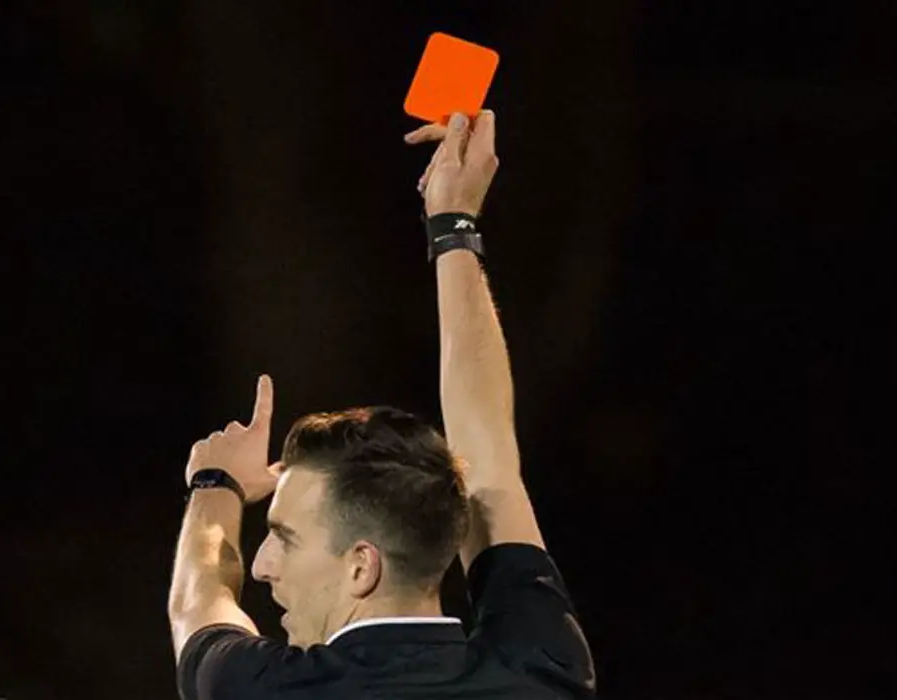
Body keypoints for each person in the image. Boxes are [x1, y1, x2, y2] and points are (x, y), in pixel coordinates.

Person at [168, 110, 597, 699]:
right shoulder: (542, 666)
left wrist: (216, 485)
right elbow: (490, 467)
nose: (262, 565)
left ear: (361, 566)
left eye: (284, 538)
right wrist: (455, 223)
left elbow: (199, 600)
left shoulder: (269, 689)